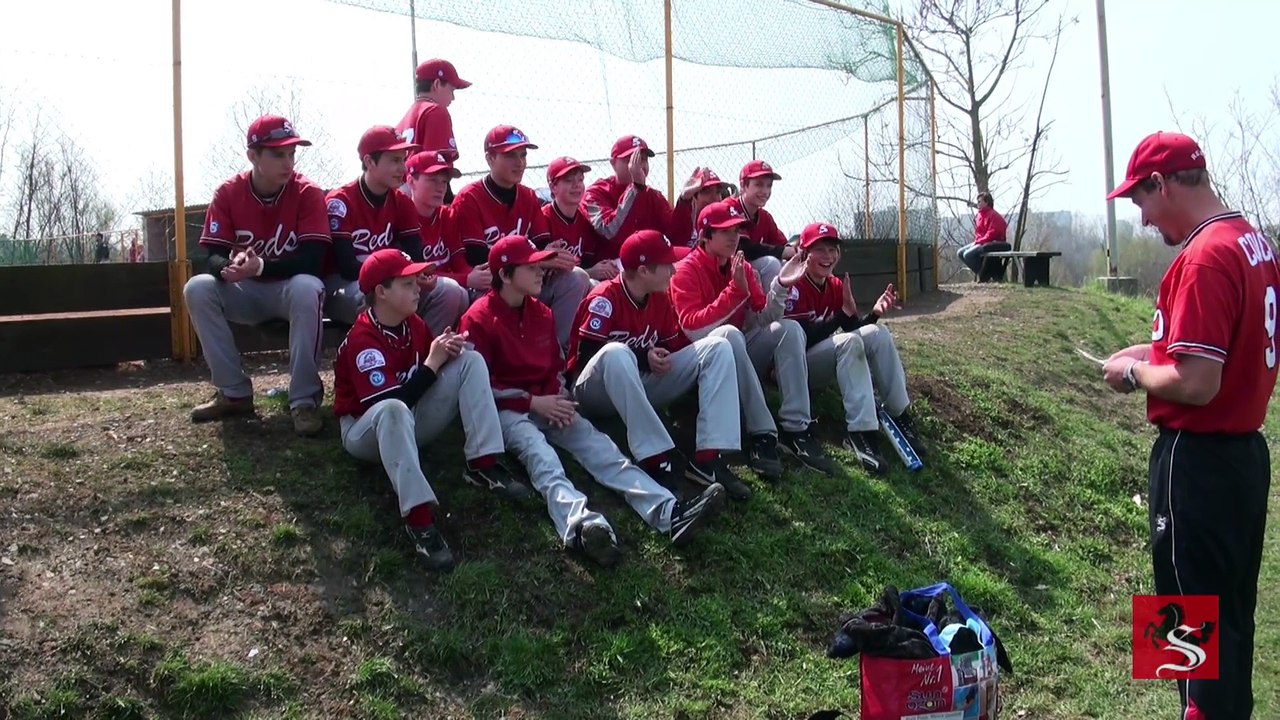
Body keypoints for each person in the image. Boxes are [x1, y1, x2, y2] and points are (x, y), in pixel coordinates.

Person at [1101, 131, 1278, 720]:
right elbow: (1211, 347)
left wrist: (1133, 377)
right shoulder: (1252, 239)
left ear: (1165, 183)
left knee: (1186, 629)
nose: (1144, 218)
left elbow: (1197, 382)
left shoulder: (1204, 256)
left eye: (1141, 201)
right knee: (1229, 618)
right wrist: (1143, 353)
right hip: (1244, 458)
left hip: (1195, 462)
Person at [459, 235, 726, 566]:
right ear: (505, 275)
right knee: (545, 461)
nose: (541, 270)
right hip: (509, 412)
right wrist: (532, 403)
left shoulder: (541, 312)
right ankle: (584, 527)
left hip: (549, 402)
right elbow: (480, 388)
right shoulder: (477, 317)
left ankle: (668, 512)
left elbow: (556, 365)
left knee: (604, 451)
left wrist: (557, 395)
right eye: (532, 266)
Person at [332, 249, 530, 573]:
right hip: (364, 434)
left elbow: (422, 381)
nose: (418, 289)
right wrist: (433, 363)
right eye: (408, 284)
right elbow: (389, 405)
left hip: (404, 421)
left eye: (416, 282)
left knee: (470, 359)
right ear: (381, 291)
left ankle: (483, 464)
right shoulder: (362, 341)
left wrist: (446, 352)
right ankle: (419, 521)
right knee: (393, 407)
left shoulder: (412, 324)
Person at [565, 229, 749, 500]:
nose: (673, 270)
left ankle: (708, 457)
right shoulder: (604, 298)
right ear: (643, 271)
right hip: (592, 394)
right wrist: (642, 357)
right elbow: (586, 358)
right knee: (616, 353)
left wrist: (665, 361)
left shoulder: (660, 297)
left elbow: (673, 347)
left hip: (636, 385)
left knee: (717, 347)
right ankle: (655, 456)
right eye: (665, 265)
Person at [183, 115, 329, 437]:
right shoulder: (228, 192)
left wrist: (260, 266)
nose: (288, 161)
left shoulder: (307, 192)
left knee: (310, 286)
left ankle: (304, 400)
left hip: (288, 291)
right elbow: (212, 254)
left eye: (291, 153)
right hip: (246, 291)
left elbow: (314, 260)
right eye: (277, 154)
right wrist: (227, 267)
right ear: (253, 155)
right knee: (198, 288)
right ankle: (234, 393)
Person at [669, 200, 836, 479]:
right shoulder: (686, 270)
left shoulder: (741, 265)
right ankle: (762, 434)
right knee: (730, 335)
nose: (734, 237)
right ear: (705, 235)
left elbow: (764, 317)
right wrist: (734, 294)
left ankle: (797, 428)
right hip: (693, 363)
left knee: (789, 329)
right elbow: (692, 330)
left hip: (735, 354)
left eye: (737, 230)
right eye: (726, 231)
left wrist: (781, 286)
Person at [778, 222, 927, 474]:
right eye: (820, 250)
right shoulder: (795, 284)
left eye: (833, 249)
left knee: (876, 333)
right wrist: (840, 317)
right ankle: (861, 431)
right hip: (795, 369)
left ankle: (900, 413)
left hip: (820, 359)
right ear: (803, 252)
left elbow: (852, 328)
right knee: (848, 342)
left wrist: (874, 315)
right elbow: (801, 339)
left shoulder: (835, 284)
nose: (828, 257)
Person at [449, 125, 589, 348]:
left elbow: (544, 245)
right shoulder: (470, 197)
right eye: (510, 155)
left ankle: (556, 355)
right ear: (490, 158)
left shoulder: (527, 196)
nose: (520, 162)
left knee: (577, 277)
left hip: (523, 280)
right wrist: (539, 258)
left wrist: (547, 256)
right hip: (490, 287)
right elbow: (480, 260)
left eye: (523, 155)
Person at [323, 125, 421, 326]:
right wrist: (394, 280)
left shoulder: (402, 202)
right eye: (394, 160)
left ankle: (425, 351)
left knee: (449, 292)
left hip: (388, 281)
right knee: (382, 299)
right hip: (341, 284)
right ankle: (373, 353)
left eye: (403, 159)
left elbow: (416, 256)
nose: (403, 168)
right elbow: (346, 267)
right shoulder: (340, 202)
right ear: (369, 161)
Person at [405, 150, 474, 334]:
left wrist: (480, 276)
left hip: (441, 288)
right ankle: (427, 353)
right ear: (411, 181)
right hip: (411, 289)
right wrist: (467, 279)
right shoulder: (403, 216)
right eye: (432, 180)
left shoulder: (447, 215)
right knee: (454, 292)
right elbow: (419, 276)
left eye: (444, 181)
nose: (440, 187)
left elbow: (459, 263)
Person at [581, 135, 675, 263]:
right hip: (609, 266)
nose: (638, 165)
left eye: (643, 159)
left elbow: (676, 236)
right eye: (631, 160)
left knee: (685, 257)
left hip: (647, 264)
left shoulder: (652, 195)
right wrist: (635, 188)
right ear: (613, 164)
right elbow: (610, 231)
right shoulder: (595, 193)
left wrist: (685, 201)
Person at [542, 156, 617, 283]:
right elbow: (544, 272)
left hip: (575, 283)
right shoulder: (544, 217)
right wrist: (591, 272)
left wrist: (603, 267)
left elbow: (587, 262)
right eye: (569, 180)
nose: (576, 185)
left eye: (580, 180)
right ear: (553, 187)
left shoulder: (584, 220)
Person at [725, 160, 792, 290]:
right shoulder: (729, 208)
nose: (765, 191)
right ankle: (767, 310)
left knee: (787, 266)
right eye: (759, 185)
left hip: (744, 267)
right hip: (725, 269)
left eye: (769, 185)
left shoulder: (765, 216)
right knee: (771, 264)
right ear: (743, 185)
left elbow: (782, 244)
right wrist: (783, 251)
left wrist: (796, 251)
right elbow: (743, 248)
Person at [669, 167, 726, 249]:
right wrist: (684, 198)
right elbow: (676, 238)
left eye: (718, 192)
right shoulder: (685, 220)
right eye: (707, 192)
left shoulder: (724, 222)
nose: (715, 198)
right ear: (694, 196)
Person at [956, 192, 1010, 279]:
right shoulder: (979, 215)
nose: (978, 204)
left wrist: (979, 242)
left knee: (967, 255)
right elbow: (979, 233)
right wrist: (977, 241)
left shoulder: (993, 215)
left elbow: (991, 234)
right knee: (960, 252)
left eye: (980, 202)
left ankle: (984, 275)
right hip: (981, 241)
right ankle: (983, 272)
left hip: (992, 242)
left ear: (986, 202)